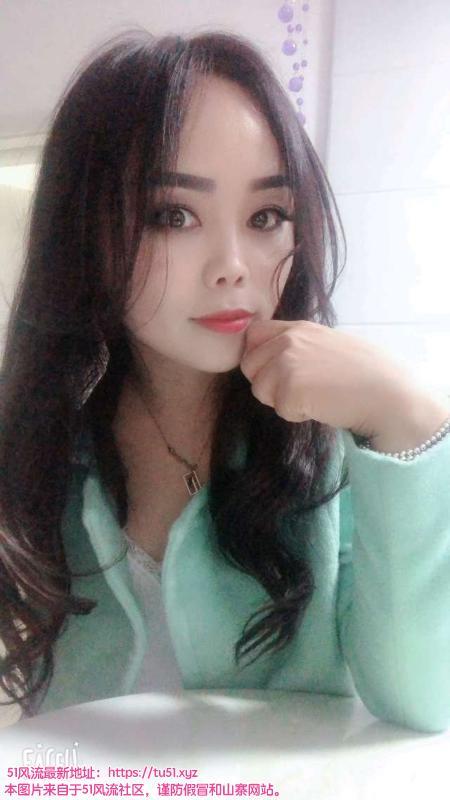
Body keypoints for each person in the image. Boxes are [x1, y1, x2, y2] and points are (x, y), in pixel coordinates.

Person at [0, 28, 449, 734]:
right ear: (86, 229)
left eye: (266, 216)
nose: (233, 265)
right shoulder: (46, 447)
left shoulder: (333, 449)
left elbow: (423, 700)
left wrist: (407, 419)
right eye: (173, 215)